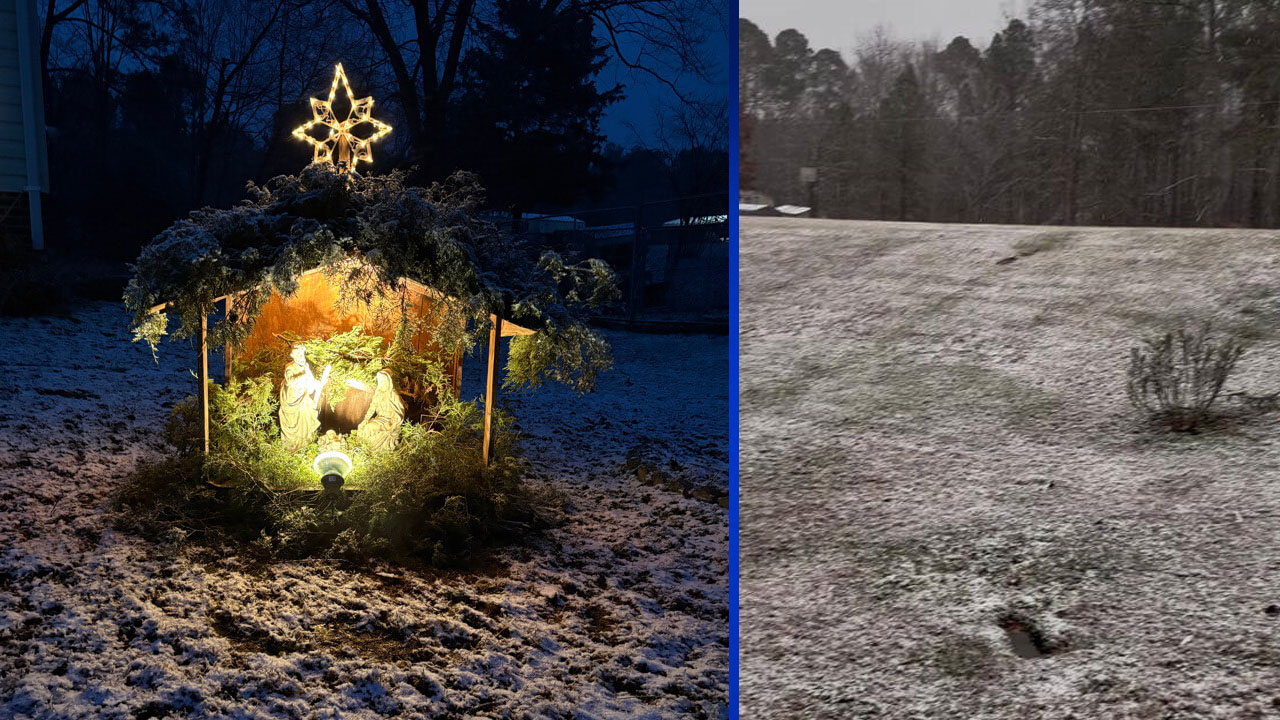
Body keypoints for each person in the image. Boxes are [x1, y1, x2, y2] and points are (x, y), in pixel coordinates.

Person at [279, 344, 330, 452]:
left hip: (303, 398)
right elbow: (291, 382)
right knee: (294, 422)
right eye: (299, 355)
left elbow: (310, 379)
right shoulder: (290, 368)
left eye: (302, 355)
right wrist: (304, 376)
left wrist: (318, 384)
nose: (302, 358)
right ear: (294, 356)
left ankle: (304, 442)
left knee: (306, 416)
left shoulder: (305, 366)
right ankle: (292, 446)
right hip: (293, 400)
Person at [356, 369, 404, 451]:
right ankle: (366, 447)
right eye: (380, 381)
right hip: (380, 418)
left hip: (389, 421)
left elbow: (400, 412)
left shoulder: (393, 395)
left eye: (384, 381)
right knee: (364, 426)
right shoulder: (378, 393)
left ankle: (371, 448)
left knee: (369, 427)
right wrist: (366, 419)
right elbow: (372, 407)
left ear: (388, 381)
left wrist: (392, 423)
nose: (382, 383)